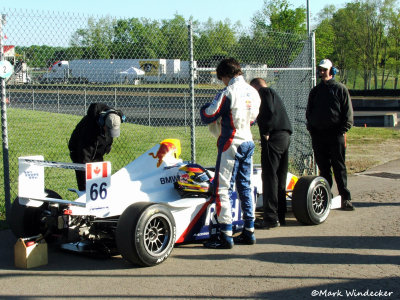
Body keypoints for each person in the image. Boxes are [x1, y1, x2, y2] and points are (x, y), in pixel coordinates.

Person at [200, 58, 261, 249]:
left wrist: (202, 108)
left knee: (222, 188)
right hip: (249, 141)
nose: (222, 82)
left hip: (231, 143)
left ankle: (225, 235)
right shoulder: (254, 91)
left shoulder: (228, 92)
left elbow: (208, 114)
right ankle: (249, 231)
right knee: (245, 185)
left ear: (225, 75)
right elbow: (253, 118)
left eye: (222, 78)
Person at [306, 59, 354, 211]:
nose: (322, 73)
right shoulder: (315, 91)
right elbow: (309, 113)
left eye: (324, 70)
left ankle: (345, 198)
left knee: (339, 167)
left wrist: (342, 130)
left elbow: (348, 114)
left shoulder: (340, 89)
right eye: (320, 70)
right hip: (319, 135)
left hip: (336, 135)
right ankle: (327, 196)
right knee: (324, 168)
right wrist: (313, 129)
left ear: (331, 71)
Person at [250, 78, 293, 229]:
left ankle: (270, 217)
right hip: (284, 135)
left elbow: (268, 109)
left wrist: (266, 130)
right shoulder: (274, 93)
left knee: (269, 176)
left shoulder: (264, 92)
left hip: (274, 136)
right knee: (280, 176)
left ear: (255, 87)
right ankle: (280, 215)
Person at [68, 102, 124, 191]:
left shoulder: (110, 118)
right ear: (102, 123)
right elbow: (83, 153)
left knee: (100, 182)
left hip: (97, 153)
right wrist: (86, 170)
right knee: (85, 184)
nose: (109, 133)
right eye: (108, 129)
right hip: (81, 153)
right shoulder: (89, 128)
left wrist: (107, 146)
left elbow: (108, 137)